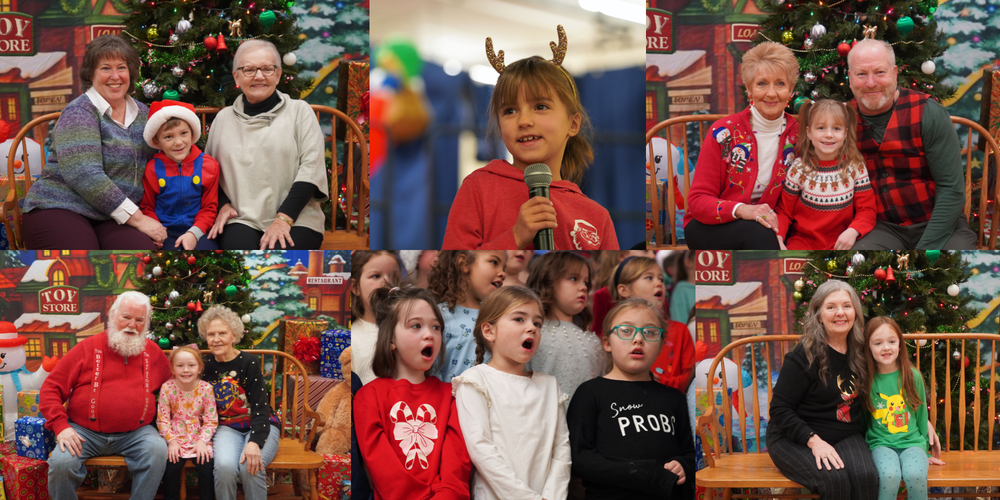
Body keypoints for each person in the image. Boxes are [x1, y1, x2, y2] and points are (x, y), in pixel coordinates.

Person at [443, 25, 617, 250]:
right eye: (510, 111)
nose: (524, 120)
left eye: (540, 106)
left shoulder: (596, 216)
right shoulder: (478, 188)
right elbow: (453, 271)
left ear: (573, 124)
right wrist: (514, 237)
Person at [21, 35, 165, 249]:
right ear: (91, 74)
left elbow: (165, 161)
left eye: (121, 68)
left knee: (140, 256)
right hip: (60, 205)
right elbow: (84, 174)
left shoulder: (144, 114)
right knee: (80, 257)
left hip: (112, 216)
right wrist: (139, 219)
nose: (115, 76)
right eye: (105, 68)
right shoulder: (80, 111)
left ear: (130, 72)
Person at [40, 291, 172, 500]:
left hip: (136, 433)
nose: (132, 325)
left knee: (156, 450)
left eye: (139, 320)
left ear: (146, 324)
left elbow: (172, 390)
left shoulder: (154, 353)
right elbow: (50, 388)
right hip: (84, 432)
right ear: (112, 316)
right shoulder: (86, 348)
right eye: (126, 317)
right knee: (61, 463)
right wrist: (61, 427)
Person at [847, 38, 977, 249]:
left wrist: (925, 249)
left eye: (880, 72)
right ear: (850, 78)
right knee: (858, 257)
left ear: (895, 73)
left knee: (956, 256)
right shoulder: (841, 120)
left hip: (938, 222)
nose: (871, 83)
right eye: (861, 74)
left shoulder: (929, 113)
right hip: (881, 227)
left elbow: (951, 189)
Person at [205, 39, 329, 250]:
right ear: (236, 76)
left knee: (281, 259)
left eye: (267, 69)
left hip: (296, 217)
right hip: (240, 217)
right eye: (249, 70)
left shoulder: (300, 111)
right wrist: (223, 204)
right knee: (241, 255)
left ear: (278, 74)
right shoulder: (223, 119)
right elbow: (210, 171)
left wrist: (284, 219)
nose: (259, 76)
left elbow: (311, 170)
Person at [567, 298, 695, 499]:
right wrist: (642, 473)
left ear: (661, 346)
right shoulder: (590, 393)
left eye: (650, 332)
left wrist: (683, 466)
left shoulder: (674, 398)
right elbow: (580, 458)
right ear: (607, 343)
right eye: (626, 330)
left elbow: (690, 452)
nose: (638, 339)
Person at [453, 286, 572, 499]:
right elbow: (481, 450)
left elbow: (561, 451)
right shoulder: (475, 380)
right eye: (519, 319)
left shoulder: (549, 385)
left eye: (537, 323)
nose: (532, 328)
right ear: (489, 331)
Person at [355, 287, 472, 499]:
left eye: (436, 327)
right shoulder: (368, 397)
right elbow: (384, 472)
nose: (429, 334)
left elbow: (455, 470)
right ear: (390, 340)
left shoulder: (452, 396)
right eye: (416, 326)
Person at [767, 281, 878, 500]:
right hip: (795, 436)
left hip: (844, 433)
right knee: (834, 480)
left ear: (855, 312)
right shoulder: (803, 357)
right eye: (831, 307)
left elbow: (894, 382)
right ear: (818, 315)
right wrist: (814, 441)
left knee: (866, 476)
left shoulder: (863, 351)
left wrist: (922, 421)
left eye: (847, 306)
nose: (840, 313)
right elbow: (779, 409)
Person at [684, 41, 800, 249]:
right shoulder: (724, 132)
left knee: (765, 232)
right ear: (749, 89)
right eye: (762, 83)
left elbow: (790, 203)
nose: (771, 93)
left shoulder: (798, 135)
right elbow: (698, 200)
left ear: (791, 89)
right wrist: (742, 210)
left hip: (768, 227)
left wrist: (779, 234)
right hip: (711, 225)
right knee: (757, 231)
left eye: (780, 84)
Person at [198, 305, 281, 500]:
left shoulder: (248, 362)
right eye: (211, 334)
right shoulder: (204, 365)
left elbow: (261, 407)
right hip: (227, 426)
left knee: (249, 466)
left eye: (222, 333)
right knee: (225, 467)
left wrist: (255, 441)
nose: (216, 339)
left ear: (234, 336)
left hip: (260, 424)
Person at [775, 99, 876, 250]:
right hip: (803, 242)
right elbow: (784, 212)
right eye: (821, 128)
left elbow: (867, 209)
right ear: (809, 132)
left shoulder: (854, 166)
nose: (829, 135)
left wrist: (853, 231)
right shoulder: (799, 169)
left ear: (846, 133)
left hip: (842, 242)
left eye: (836, 129)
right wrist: (778, 238)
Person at [865, 317, 944, 500]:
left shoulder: (912, 375)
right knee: (889, 476)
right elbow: (863, 418)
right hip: (881, 444)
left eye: (892, 342)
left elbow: (922, 414)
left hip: (912, 444)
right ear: (869, 347)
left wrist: (925, 452)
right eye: (878, 343)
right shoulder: (867, 380)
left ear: (900, 345)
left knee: (915, 475)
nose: (886, 347)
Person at [525, 251, 606, 401]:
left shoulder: (593, 341)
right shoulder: (529, 333)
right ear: (547, 280)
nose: (583, 287)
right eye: (574, 279)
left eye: (586, 282)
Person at [140, 100, 220, 250]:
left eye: (184, 133)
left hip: (199, 230)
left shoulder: (209, 165)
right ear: (157, 141)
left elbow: (209, 208)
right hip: (165, 232)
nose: (178, 142)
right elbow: (147, 207)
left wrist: (194, 233)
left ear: (192, 133)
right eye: (168, 137)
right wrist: (156, 232)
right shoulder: (152, 169)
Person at [608, 257, 693, 392]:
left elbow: (688, 377)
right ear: (624, 290)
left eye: (661, 279)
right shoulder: (613, 330)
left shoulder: (680, 330)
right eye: (649, 278)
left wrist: (659, 382)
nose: (658, 284)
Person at [428, 251, 507, 383]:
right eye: (494, 262)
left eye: (504, 268)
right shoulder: (436, 316)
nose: (503, 273)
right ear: (464, 263)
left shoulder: (500, 317)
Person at [157, 345, 218, 500]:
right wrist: (171, 441)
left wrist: (202, 441)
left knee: (206, 465)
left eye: (191, 365)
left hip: (199, 436)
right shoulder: (167, 388)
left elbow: (211, 420)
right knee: (171, 467)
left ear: (199, 368)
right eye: (180, 365)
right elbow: (163, 419)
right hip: (175, 436)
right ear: (172, 368)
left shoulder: (206, 388)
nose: (185, 370)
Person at [351, 251, 403, 385]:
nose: (387, 282)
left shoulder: (411, 329)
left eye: (394, 276)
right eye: (376, 276)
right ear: (355, 287)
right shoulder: (353, 338)